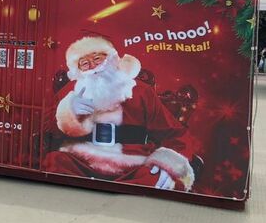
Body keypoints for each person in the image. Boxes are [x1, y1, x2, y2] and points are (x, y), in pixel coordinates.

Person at [43, 35, 197, 191]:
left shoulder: (142, 91)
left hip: (132, 165)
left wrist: (169, 165)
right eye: (85, 64)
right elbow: (46, 128)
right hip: (82, 163)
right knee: (56, 162)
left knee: (155, 176)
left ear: (112, 59)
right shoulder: (70, 92)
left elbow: (175, 134)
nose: (93, 67)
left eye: (97, 59)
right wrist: (67, 112)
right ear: (78, 70)